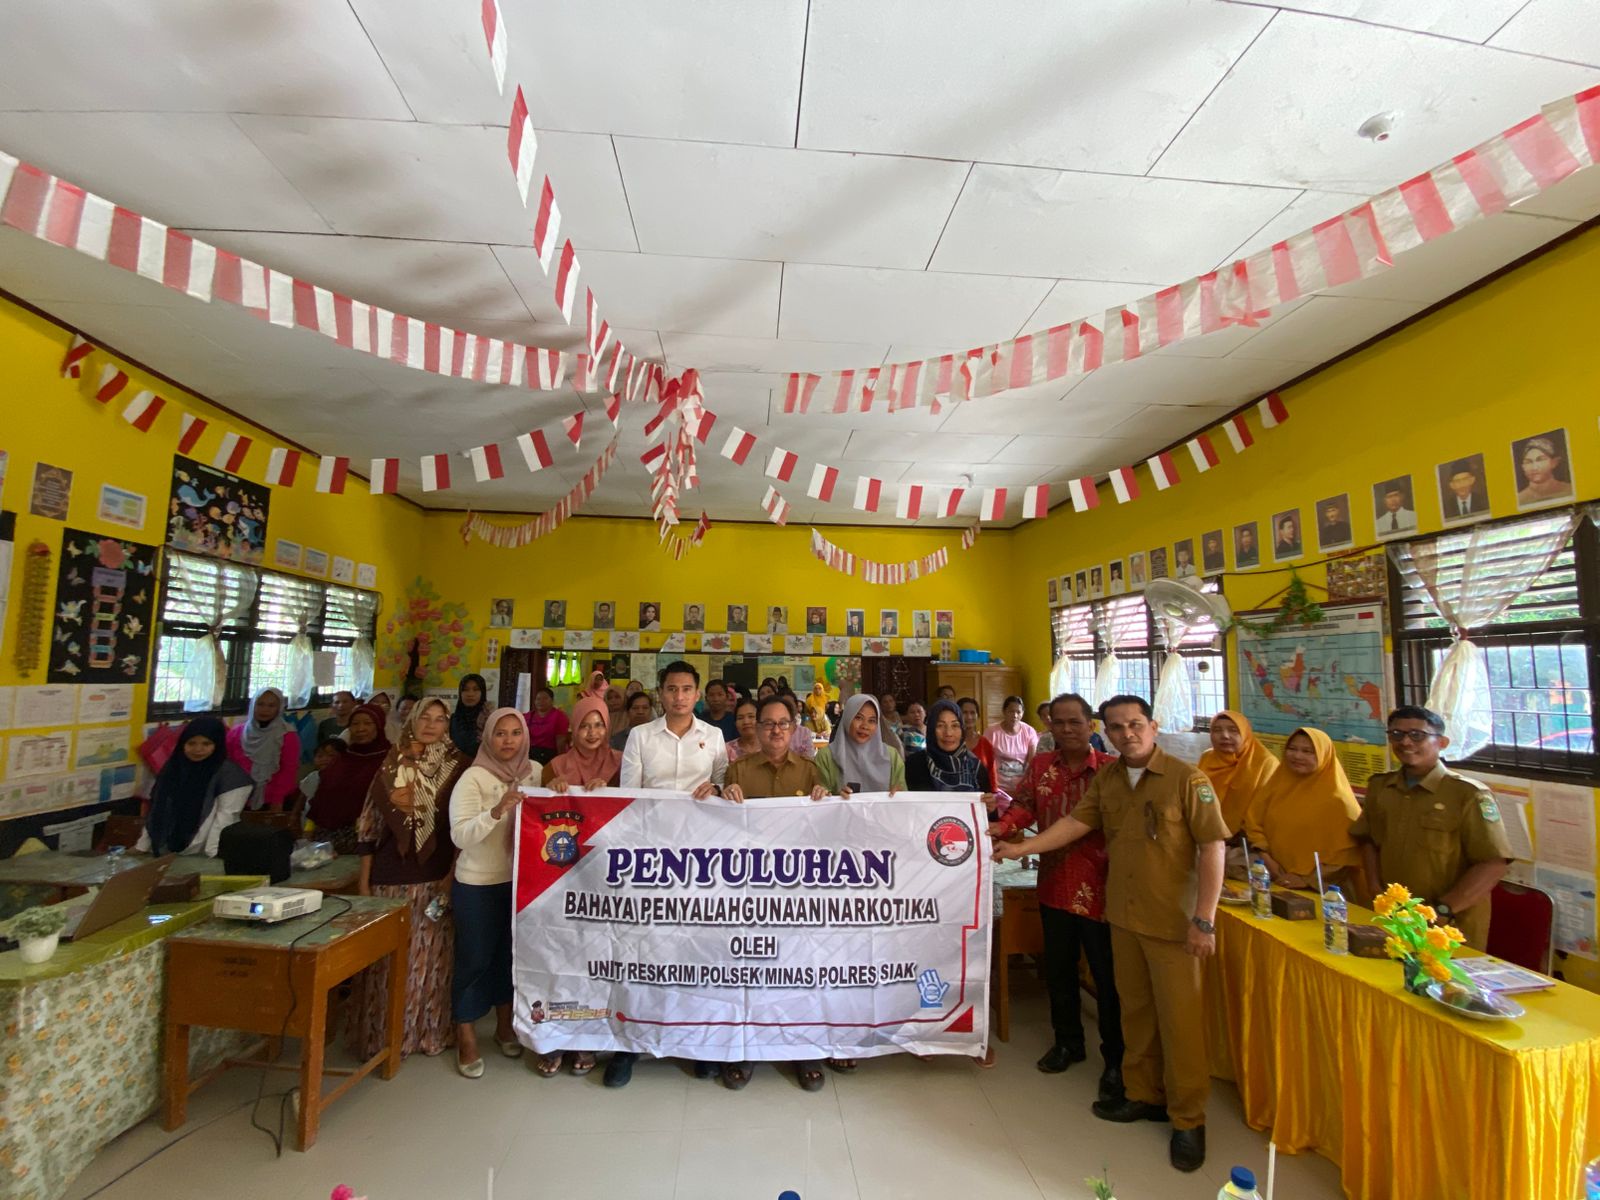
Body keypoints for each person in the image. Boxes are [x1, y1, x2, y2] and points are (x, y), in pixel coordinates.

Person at [994, 695, 1227, 1174]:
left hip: (1171, 924)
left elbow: (1212, 849)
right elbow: (1075, 824)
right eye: (1118, 727)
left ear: (1154, 726)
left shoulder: (1188, 780)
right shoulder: (1109, 779)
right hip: (1121, 915)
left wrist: (1205, 918)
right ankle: (1143, 1095)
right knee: (1134, 1011)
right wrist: (1023, 848)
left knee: (1179, 1023)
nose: (1127, 734)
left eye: (1135, 725)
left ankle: (1188, 1119)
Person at [990, 695, 1121, 1097]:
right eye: (1057, 723)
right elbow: (1025, 807)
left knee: (1108, 978)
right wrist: (1003, 826)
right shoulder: (1043, 767)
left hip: (1103, 891)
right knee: (1059, 972)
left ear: (1091, 725)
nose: (1065, 729)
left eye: (1074, 722)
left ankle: (1116, 1059)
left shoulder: (1112, 772)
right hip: (1054, 885)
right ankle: (1068, 1043)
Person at [610, 661, 730, 1089]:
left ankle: (694, 1043)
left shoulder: (712, 736)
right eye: (672, 689)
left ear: (697, 694)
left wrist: (714, 789)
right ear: (661, 694)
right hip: (650, 856)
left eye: (686, 689)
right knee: (642, 950)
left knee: (692, 952)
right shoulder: (640, 737)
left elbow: (721, 784)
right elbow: (628, 795)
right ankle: (628, 1047)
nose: (679, 696)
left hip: (699, 859)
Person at [721, 695, 830, 1091]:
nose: (776, 730)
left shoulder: (811, 772)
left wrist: (828, 801)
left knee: (800, 972)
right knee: (752, 972)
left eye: (784, 723)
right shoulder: (738, 770)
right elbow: (718, 830)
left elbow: (831, 829)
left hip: (798, 894)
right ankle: (748, 1050)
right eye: (768, 723)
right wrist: (722, 797)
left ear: (794, 727)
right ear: (756, 728)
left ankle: (806, 1051)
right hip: (750, 893)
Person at [352, 698, 469, 1060]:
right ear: (412, 721)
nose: (431, 725)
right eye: (425, 718)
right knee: (389, 964)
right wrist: (364, 882)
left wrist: (451, 876)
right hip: (390, 878)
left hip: (434, 878)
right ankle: (386, 1038)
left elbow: (459, 830)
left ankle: (429, 1034)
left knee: (432, 964)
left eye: (439, 719)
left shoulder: (459, 767)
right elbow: (368, 827)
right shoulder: (389, 766)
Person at [1350, 706, 1512, 948]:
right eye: (1396, 735)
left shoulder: (1468, 794)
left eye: (1417, 735)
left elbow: (1493, 863)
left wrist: (1444, 908)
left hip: (1449, 924)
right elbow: (1368, 840)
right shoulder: (1381, 787)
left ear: (1442, 742)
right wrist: (1374, 888)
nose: (1405, 742)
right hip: (1393, 918)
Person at [906, 698, 998, 1067]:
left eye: (954, 725)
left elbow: (991, 817)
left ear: (964, 729)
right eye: (940, 725)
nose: (947, 732)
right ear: (931, 729)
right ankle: (926, 1031)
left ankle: (973, 1034)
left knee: (970, 950)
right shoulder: (915, 763)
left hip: (966, 874)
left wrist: (990, 805)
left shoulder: (976, 766)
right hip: (925, 871)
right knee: (928, 949)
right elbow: (911, 815)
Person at [449, 709, 533, 1078]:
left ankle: (503, 1026)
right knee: (474, 959)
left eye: (516, 733)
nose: (509, 740)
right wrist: (496, 811)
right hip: (478, 882)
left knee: (508, 957)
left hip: (520, 883)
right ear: (487, 737)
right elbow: (460, 836)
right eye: (501, 733)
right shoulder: (473, 778)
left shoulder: (536, 773)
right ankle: (465, 1034)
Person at [1244, 728, 1362, 891]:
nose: (1297, 756)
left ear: (1323, 756)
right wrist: (1266, 858)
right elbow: (1254, 822)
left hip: (1323, 891)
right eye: (1292, 749)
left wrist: (1308, 879)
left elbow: (1346, 856)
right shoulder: (1276, 786)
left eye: (1308, 751)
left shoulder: (1339, 802)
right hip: (1269, 874)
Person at [137, 716, 254, 856]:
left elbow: (225, 819)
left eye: (206, 744)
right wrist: (142, 846)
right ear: (182, 744)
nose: (198, 749)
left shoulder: (231, 776)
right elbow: (157, 809)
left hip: (203, 850)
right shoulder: (173, 768)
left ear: (217, 744)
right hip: (164, 849)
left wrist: (213, 855)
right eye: (191, 743)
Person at [307, 702, 390, 853]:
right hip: (327, 839)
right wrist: (309, 828)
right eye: (355, 724)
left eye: (368, 723)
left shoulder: (390, 759)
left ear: (379, 725)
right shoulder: (343, 759)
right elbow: (321, 795)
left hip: (369, 839)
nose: (360, 729)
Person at [1197, 710, 1279, 837]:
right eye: (1217, 730)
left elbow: (1266, 810)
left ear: (1245, 734)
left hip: (1247, 839)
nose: (1225, 735)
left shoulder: (1265, 763)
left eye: (1233, 730)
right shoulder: (1207, 757)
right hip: (1206, 830)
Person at [814, 695, 906, 795]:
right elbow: (820, 800)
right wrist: (835, 797)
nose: (865, 726)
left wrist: (898, 795)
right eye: (858, 718)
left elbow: (902, 797)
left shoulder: (892, 756)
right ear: (847, 718)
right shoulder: (826, 756)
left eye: (872, 721)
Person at [227, 687, 301, 811]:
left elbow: (289, 770)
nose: (265, 710)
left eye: (271, 705)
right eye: (260, 704)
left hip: (273, 800)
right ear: (252, 705)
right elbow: (229, 766)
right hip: (239, 797)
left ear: (279, 708)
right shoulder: (236, 733)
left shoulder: (287, 736)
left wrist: (277, 800)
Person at [544, 696, 623, 792]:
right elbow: (542, 804)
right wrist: (551, 790)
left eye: (598, 725)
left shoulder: (622, 763)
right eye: (584, 726)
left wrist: (606, 791)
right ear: (575, 728)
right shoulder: (555, 768)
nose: (592, 733)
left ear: (607, 727)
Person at [985, 695, 1038, 799]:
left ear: (1022, 713)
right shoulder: (991, 732)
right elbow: (986, 761)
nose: (1015, 715)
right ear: (1004, 712)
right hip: (998, 788)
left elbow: (1032, 762)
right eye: (1011, 711)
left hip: (1021, 788)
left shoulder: (1029, 731)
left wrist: (1025, 787)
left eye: (1018, 712)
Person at [1515, 434, 1572, 505]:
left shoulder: (1569, 490)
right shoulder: (1520, 499)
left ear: (1554, 462)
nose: (1534, 467)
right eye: (1528, 462)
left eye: (1540, 460)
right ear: (1523, 467)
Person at [956, 696, 999, 790]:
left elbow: (991, 773)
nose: (969, 717)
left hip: (980, 796)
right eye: (964, 713)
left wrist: (992, 795)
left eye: (972, 713)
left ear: (977, 715)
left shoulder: (984, 743)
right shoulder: (951, 741)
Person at [523, 686, 570, 765]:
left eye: (545, 698)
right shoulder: (528, 716)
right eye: (538, 699)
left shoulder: (559, 717)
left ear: (552, 701)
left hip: (551, 756)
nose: (541, 701)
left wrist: (561, 763)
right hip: (531, 755)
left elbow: (561, 743)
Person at [450, 673, 491, 760]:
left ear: (482, 693)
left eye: (476, 689)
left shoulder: (490, 720)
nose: (470, 694)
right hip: (454, 768)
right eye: (465, 689)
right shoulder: (452, 720)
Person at [723, 696, 763, 762]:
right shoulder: (726, 750)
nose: (746, 722)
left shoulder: (770, 747)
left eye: (751, 716)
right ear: (735, 723)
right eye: (740, 718)